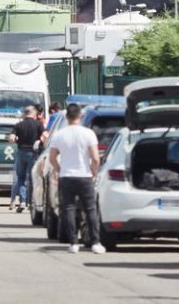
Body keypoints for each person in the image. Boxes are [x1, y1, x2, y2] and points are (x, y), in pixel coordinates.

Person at [47, 103, 106, 254]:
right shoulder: (88, 134)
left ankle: (73, 242)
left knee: (68, 209)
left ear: (66, 117)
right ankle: (95, 242)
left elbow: (52, 157)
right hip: (84, 175)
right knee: (90, 209)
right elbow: (95, 158)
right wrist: (93, 172)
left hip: (66, 176)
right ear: (81, 116)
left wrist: (59, 169)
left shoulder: (59, 135)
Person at [8, 104, 45, 213]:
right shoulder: (39, 124)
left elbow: (11, 138)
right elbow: (45, 136)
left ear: (25, 114)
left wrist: (16, 140)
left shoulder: (18, 125)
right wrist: (41, 143)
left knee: (21, 178)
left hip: (21, 152)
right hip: (33, 153)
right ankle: (31, 202)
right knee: (33, 178)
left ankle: (23, 201)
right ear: (34, 114)